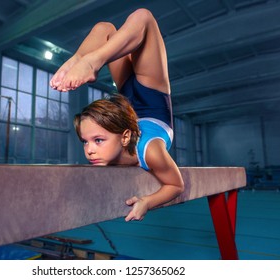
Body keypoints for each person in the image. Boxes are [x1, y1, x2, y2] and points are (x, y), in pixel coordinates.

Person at [50, 8, 184, 221]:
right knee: (116, 28)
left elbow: (176, 184)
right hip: (145, 102)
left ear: (124, 138)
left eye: (98, 140)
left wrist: (147, 201)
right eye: (85, 142)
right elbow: (175, 184)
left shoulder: (150, 151)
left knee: (131, 21)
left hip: (141, 102)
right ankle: (80, 58)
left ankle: (89, 61)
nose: (89, 151)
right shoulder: (135, 147)